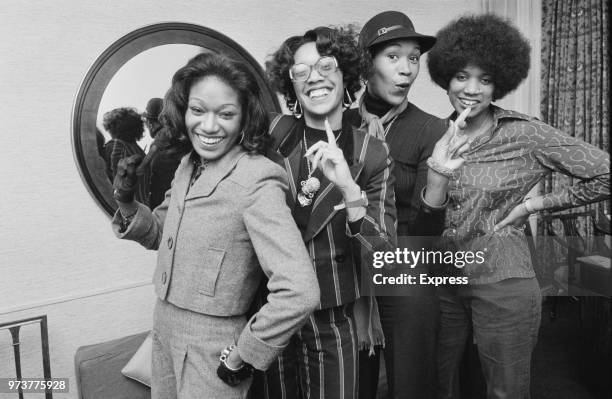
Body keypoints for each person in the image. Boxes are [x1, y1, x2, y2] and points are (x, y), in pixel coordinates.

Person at [110, 52, 320, 399]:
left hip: (212, 348)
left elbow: (300, 290)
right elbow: (162, 234)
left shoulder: (257, 179)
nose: (208, 126)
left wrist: (244, 355)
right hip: (162, 330)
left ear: (243, 119)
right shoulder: (188, 165)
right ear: (183, 110)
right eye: (198, 110)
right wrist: (126, 201)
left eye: (225, 114)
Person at [426, 14, 610, 399]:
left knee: (505, 392)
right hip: (444, 282)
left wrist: (536, 205)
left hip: (503, 280)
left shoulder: (524, 133)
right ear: (446, 77)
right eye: (461, 76)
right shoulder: (436, 133)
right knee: (438, 385)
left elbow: (606, 174)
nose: (471, 89)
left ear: (500, 82)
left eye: (485, 79)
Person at [254, 26, 397, 399]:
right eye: (300, 72)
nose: (313, 77)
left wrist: (350, 189)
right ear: (293, 87)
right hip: (270, 310)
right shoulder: (272, 134)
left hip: (333, 314)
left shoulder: (372, 153)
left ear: (345, 75)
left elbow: (383, 255)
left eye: (325, 66)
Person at [347, 11, 456, 399]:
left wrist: (438, 185)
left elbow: (431, 234)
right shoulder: (339, 123)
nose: (407, 70)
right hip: (349, 274)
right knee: (350, 384)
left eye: (413, 58)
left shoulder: (431, 129)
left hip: (408, 272)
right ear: (366, 63)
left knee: (413, 385)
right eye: (393, 56)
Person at [141, 97, 183, 209]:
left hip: (164, 207)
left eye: (147, 121)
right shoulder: (178, 141)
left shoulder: (160, 147)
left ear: (150, 123)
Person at [102, 106, 150, 205]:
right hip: (143, 206)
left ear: (114, 127)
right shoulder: (138, 150)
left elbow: (109, 179)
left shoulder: (115, 145)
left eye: (110, 126)